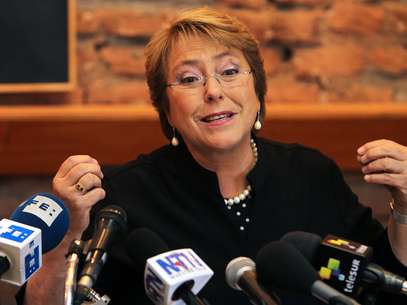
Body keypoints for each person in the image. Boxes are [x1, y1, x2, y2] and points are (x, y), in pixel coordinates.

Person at [19, 7, 407, 305]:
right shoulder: (122, 199)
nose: (213, 91)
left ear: (258, 91)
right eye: (189, 79)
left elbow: (387, 281)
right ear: (166, 110)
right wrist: (68, 232)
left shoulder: (312, 174)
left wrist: (405, 204)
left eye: (230, 71)